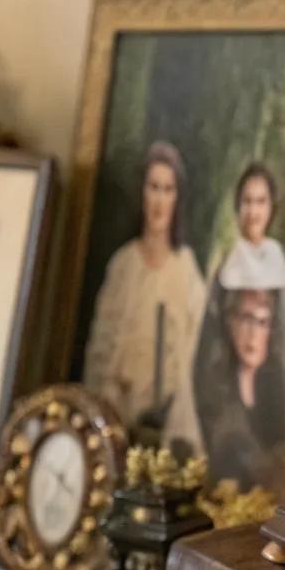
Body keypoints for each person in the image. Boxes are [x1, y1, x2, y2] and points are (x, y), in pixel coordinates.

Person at [83, 141, 205, 452]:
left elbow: (196, 359)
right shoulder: (123, 265)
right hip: (116, 421)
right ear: (142, 193)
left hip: (165, 429)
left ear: (177, 198)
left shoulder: (187, 271)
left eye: (168, 189)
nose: (159, 201)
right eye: (153, 188)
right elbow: (101, 349)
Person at [195, 287, 285, 492]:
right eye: (246, 318)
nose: (252, 333)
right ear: (231, 322)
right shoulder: (213, 390)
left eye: (262, 322)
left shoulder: (281, 391)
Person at [216, 163, 285, 292]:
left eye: (261, 201)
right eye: (247, 201)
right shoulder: (229, 260)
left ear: (271, 206)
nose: (253, 211)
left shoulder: (276, 253)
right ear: (238, 205)